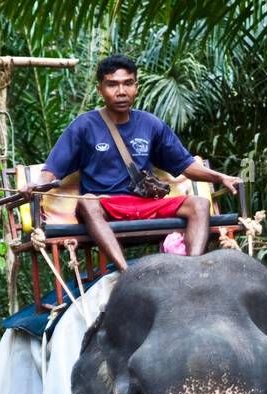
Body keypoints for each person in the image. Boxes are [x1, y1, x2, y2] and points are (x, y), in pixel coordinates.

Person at [25, 55, 241, 272]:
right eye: (112, 84)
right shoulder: (84, 126)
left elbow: (185, 165)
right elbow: (52, 170)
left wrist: (220, 177)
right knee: (87, 201)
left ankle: (193, 272)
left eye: (128, 83)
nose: (121, 91)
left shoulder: (151, 124)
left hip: (144, 204)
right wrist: (36, 184)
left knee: (200, 204)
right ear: (100, 89)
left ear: (136, 87)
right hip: (105, 205)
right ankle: (126, 273)